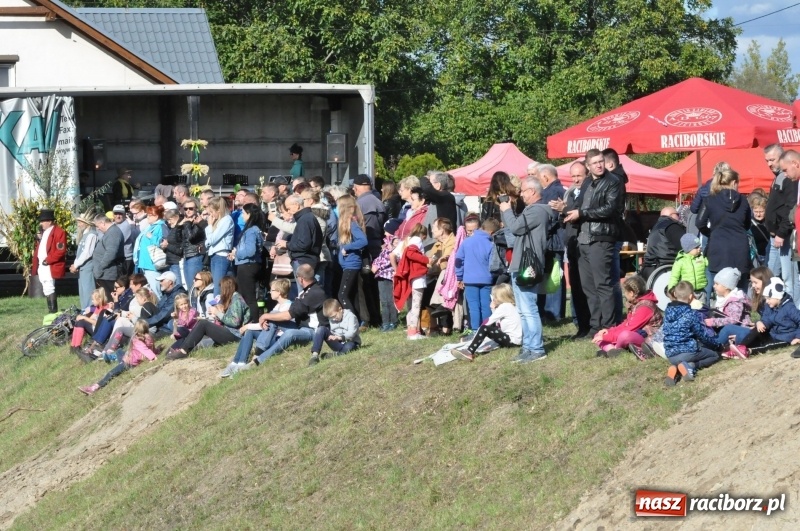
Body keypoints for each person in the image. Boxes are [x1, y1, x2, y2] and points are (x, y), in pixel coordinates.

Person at [563, 149, 623, 334]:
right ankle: (595, 326)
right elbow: (580, 207)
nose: (599, 165)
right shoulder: (588, 181)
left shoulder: (613, 181)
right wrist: (565, 209)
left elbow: (610, 209)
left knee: (603, 285)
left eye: (601, 161)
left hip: (601, 238)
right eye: (595, 163)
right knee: (588, 287)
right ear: (588, 167)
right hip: (583, 239)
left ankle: (608, 327)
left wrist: (582, 213)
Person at [501, 177, 550, 363]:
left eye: (523, 191)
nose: (521, 194)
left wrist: (506, 210)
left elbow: (515, 228)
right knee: (522, 310)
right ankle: (528, 347)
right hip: (520, 263)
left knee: (529, 308)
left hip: (528, 265)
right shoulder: (531, 210)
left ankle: (537, 349)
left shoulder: (537, 211)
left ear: (532, 191)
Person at [245, 264, 328, 367]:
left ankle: (258, 361)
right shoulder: (306, 291)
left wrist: (264, 316)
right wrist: (268, 316)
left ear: (301, 279)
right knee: (274, 316)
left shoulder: (315, 293)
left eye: (296, 277)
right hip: (300, 326)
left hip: (313, 331)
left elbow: (289, 315)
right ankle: (258, 353)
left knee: (289, 334)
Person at [220, 278, 293, 377]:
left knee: (248, 329)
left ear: (279, 292)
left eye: (272, 290)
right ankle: (237, 362)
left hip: (277, 338)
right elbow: (265, 324)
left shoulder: (287, 307)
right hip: (269, 334)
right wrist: (248, 327)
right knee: (249, 331)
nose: (270, 292)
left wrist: (247, 326)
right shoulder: (277, 306)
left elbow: (269, 324)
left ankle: (240, 365)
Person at [550, 161, 590, 338]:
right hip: (571, 243)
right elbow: (565, 216)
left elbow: (584, 212)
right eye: (573, 176)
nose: (576, 179)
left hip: (585, 243)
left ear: (586, 174)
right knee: (575, 287)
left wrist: (565, 209)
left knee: (586, 287)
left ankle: (591, 326)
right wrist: (561, 213)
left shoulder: (590, 190)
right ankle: (581, 327)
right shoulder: (569, 192)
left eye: (579, 175)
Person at [166, 276, 250, 359]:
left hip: (236, 335)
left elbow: (235, 322)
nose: (221, 292)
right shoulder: (233, 298)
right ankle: (177, 349)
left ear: (226, 288)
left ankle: (183, 351)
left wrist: (217, 313)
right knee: (200, 340)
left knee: (203, 324)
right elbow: (230, 319)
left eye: (222, 289)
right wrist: (217, 316)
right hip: (230, 331)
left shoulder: (236, 299)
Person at [696, 166, 751, 292]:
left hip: (718, 246)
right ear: (733, 182)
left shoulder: (709, 199)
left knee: (718, 287)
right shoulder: (743, 200)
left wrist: (711, 233)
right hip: (739, 247)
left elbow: (699, 222)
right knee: (740, 289)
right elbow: (747, 224)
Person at [662, 281, 724, 386]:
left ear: (675, 294)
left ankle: (676, 368)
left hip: (670, 354)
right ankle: (691, 366)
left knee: (682, 359)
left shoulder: (667, 311)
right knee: (714, 356)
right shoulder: (691, 314)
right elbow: (702, 335)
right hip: (688, 351)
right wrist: (717, 345)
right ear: (691, 296)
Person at [78, 319, 157, 395]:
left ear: (135, 330)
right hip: (132, 357)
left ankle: (94, 388)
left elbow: (144, 349)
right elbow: (150, 347)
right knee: (119, 351)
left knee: (111, 373)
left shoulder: (137, 340)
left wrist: (153, 357)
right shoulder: (149, 337)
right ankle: (112, 357)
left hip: (128, 362)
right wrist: (156, 351)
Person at [594, 275, 662, 358]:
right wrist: (608, 331)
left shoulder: (645, 306)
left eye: (625, 292)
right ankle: (614, 350)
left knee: (625, 336)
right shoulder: (635, 304)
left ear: (631, 293)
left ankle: (613, 349)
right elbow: (626, 324)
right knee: (598, 335)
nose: (624, 295)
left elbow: (630, 328)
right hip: (636, 334)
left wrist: (608, 337)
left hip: (649, 338)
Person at [451, 283, 522, 361]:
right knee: (491, 328)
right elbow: (498, 324)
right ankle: (471, 340)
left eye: (495, 297)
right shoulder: (512, 306)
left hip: (512, 340)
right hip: (517, 340)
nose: (493, 299)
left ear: (500, 297)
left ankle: (469, 351)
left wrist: (479, 331)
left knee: (485, 328)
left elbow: (487, 322)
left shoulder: (504, 306)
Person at [353, 173, 386, 327]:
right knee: (377, 284)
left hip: (366, 248)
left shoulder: (360, 204)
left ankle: (371, 318)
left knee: (366, 284)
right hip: (379, 245)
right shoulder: (379, 201)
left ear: (357, 187)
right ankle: (378, 315)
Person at [455, 218, 498, 334]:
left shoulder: (466, 242)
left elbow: (458, 260)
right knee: (486, 306)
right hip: (487, 279)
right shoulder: (491, 244)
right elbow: (493, 263)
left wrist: (459, 277)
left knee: (473, 306)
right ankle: (487, 330)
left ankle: (475, 330)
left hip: (469, 279)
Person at [537, 164, 566, 321]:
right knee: (555, 276)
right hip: (556, 240)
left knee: (554, 277)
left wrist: (541, 231)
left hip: (553, 241)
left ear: (545, 177)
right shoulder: (560, 190)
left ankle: (553, 313)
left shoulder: (552, 192)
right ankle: (552, 312)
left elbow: (550, 217)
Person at [393, 223, 429, 340]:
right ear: (423, 234)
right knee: (416, 305)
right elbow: (410, 253)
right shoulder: (417, 240)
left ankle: (411, 329)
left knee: (410, 305)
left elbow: (394, 254)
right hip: (417, 277)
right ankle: (413, 332)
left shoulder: (407, 240)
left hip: (409, 277)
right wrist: (426, 259)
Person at [230, 203, 265, 321]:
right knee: (243, 295)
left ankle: (255, 323)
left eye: (244, 213)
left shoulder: (251, 231)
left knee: (249, 298)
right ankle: (245, 320)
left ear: (249, 214)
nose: (242, 216)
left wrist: (236, 254)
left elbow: (250, 251)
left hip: (247, 266)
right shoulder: (255, 230)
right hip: (247, 265)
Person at [336, 195, 368, 321]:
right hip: (347, 264)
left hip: (352, 264)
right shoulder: (345, 224)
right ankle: (358, 320)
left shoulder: (352, 224)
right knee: (351, 294)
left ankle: (351, 320)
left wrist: (347, 248)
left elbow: (363, 241)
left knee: (342, 295)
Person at [32, 209, 68, 315]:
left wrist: (48, 260)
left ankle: (53, 311)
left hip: (49, 265)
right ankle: (51, 310)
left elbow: (60, 250)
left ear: (50, 221)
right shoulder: (44, 232)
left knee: (49, 286)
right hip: (42, 264)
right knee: (45, 286)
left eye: (43, 221)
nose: (41, 223)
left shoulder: (59, 232)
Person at [307, 298, 361, 366]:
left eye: (334, 316)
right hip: (338, 343)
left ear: (340, 309)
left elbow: (352, 333)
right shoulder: (332, 319)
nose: (333, 319)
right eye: (331, 318)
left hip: (351, 342)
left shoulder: (351, 316)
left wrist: (339, 338)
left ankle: (335, 355)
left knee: (349, 346)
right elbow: (333, 330)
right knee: (321, 329)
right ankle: (314, 356)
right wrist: (332, 336)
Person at [641, 206, 686, 281]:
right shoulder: (672, 226)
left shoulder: (656, 227)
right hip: (667, 266)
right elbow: (685, 246)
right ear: (672, 215)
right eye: (677, 214)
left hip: (650, 267)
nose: (679, 217)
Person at [204, 197, 235, 296]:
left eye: (212, 212)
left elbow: (212, 240)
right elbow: (208, 242)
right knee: (216, 285)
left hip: (221, 256)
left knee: (218, 287)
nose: (211, 215)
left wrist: (209, 226)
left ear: (219, 210)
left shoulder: (226, 220)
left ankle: (218, 308)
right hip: (214, 255)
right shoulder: (219, 221)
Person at [70, 288, 112, 360]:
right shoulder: (98, 307)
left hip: (100, 331)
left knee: (82, 321)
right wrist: (83, 317)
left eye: (93, 299)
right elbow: (92, 318)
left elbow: (98, 324)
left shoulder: (106, 309)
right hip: (94, 328)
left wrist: (84, 318)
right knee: (79, 322)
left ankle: (76, 347)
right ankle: (73, 345)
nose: (92, 301)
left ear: (99, 299)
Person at [667, 234, 708, 301]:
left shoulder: (702, 258)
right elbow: (674, 277)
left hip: (701, 292)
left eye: (699, 246)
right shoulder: (680, 261)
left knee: (702, 310)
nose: (699, 249)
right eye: (696, 247)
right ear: (689, 249)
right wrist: (671, 290)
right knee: (689, 310)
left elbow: (709, 264)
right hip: (687, 293)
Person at [70, 212, 98, 310]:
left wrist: (76, 265)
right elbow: (80, 253)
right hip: (82, 267)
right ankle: (84, 310)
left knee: (88, 292)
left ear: (87, 223)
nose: (78, 224)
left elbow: (87, 253)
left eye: (81, 222)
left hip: (88, 268)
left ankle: (90, 311)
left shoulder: (91, 235)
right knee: (82, 292)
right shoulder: (84, 235)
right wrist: (75, 264)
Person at [92, 214, 125, 296]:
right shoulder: (110, 232)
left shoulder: (113, 233)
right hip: (105, 274)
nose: (98, 229)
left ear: (103, 223)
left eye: (98, 226)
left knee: (109, 298)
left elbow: (111, 253)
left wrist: (100, 267)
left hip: (109, 274)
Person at [160, 209, 184, 290]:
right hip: (172, 262)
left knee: (178, 285)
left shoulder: (179, 229)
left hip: (177, 262)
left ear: (176, 217)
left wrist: (167, 245)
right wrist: (164, 247)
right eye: (167, 221)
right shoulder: (173, 229)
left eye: (170, 220)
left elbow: (180, 249)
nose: (169, 222)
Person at [748, 192, 769, 266]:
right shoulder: (749, 224)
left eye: (761, 212)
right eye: (756, 212)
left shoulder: (769, 222)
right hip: (755, 257)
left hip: (768, 256)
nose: (758, 214)